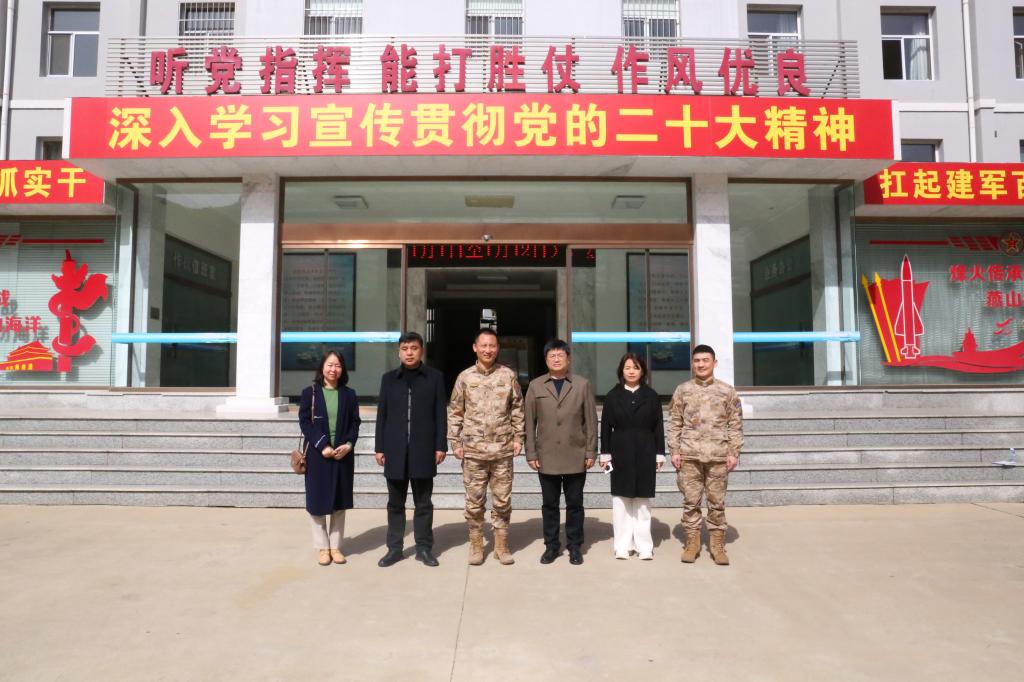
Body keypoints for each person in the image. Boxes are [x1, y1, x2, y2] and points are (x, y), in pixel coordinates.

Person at [448, 328, 525, 566]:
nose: (488, 350)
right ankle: (476, 544)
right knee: (474, 502)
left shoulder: (508, 376)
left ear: (498, 348)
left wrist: (519, 437)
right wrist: (455, 442)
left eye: (492, 345)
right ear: (475, 348)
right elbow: (455, 411)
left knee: (502, 501)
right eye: (484, 345)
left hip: (502, 449)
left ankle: (501, 545)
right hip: (474, 451)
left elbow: (517, 408)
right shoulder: (465, 377)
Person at [374, 332, 447, 568]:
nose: (409, 353)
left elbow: (440, 414)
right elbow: (382, 415)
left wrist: (440, 445)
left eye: (414, 348)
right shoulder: (388, 379)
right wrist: (379, 447)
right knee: (395, 504)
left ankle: (424, 548)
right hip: (394, 450)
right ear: (399, 352)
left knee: (423, 503)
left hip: (423, 450)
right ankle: (394, 548)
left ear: (421, 350)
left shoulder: (434, 378)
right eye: (405, 348)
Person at [666, 344, 743, 566]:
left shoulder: (727, 391)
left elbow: (735, 424)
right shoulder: (683, 390)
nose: (701, 364)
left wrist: (733, 452)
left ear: (714, 363)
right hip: (689, 456)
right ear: (692, 363)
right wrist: (674, 450)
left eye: (705, 360)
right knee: (690, 502)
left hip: (718, 456)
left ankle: (717, 545)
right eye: (697, 360)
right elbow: (675, 422)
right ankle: (692, 543)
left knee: (716, 503)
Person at [524, 339, 598, 565]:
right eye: (552, 356)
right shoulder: (536, 386)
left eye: (560, 355)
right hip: (546, 456)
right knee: (550, 505)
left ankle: (575, 546)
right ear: (546, 359)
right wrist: (531, 453)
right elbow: (529, 423)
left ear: (568, 359)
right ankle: (551, 546)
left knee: (575, 504)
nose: (556, 359)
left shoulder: (582, 384)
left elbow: (591, 421)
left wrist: (590, 451)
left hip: (575, 454)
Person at [600, 352, 665, 560]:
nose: (631, 371)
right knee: (621, 500)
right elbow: (605, 426)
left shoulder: (651, 395)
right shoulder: (612, 396)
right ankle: (622, 545)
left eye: (635, 367)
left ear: (642, 371)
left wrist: (660, 454)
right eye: (627, 367)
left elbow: (658, 426)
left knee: (643, 501)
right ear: (621, 370)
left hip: (646, 449)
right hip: (620, 450)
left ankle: (644, 545)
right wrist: (605, 454)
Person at [298, 350, 361, 566]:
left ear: (342, 369)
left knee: (339, 502)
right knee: (317, 502)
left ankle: (335, 547)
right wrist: (322, 444)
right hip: (318, 456)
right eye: (330, 365)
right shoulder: (310, 393)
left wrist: (349, 445)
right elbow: (305, 422)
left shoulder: (349, 394)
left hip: (343, 455)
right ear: (322, 367)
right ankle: (323, 547)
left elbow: (355, 423)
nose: (333, 369)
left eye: (338, 365)